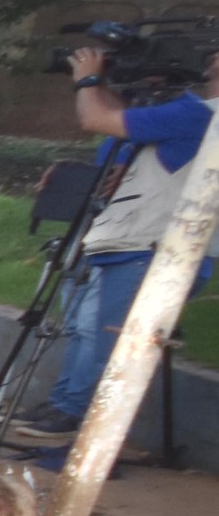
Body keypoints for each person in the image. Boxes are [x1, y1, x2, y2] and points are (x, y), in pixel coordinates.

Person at [29, 35, 219, 436]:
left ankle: (80, 424)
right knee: (85, 329)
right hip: (132, 241)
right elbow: (120, 143)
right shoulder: (194, 114)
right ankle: (66, 408)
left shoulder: (195, 114)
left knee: (106, 340)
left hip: (153, 247)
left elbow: (96, 119)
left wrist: (86, 80)